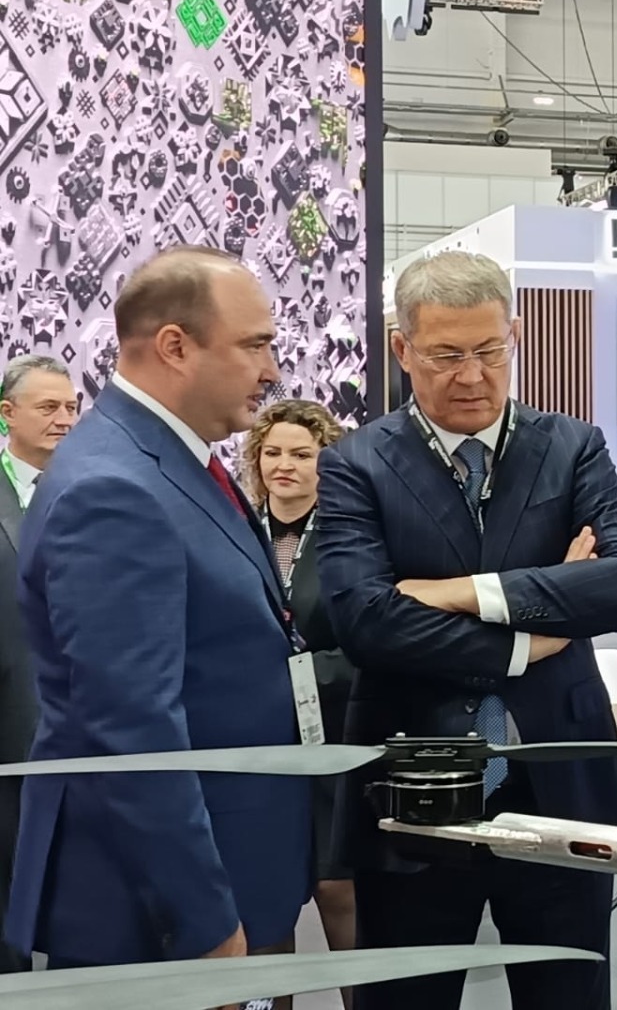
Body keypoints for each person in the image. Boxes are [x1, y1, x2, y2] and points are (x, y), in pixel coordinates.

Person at [315, 249, 617, 1010]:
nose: (471, 376)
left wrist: (462, 593)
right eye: (446, 355)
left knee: (568, 993)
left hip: (561, 786)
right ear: (402, 348)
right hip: (412, 792)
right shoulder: (356, 465)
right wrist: (532, 635)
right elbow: (366, 621)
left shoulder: (572, 446)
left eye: (490, 351)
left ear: (515, 336)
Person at [6, 248, 312, 975]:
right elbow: (132, 730)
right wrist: (204, 919)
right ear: (175, 346)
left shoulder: (170, 460)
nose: (271, 370)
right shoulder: (114, 487)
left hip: (225, 864)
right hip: (160, 911)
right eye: (254, 345)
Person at [242, 398, 356, 1010]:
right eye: (272, 452)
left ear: (325, 463)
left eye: (301, 454)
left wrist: (302, 675)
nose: (283, 465)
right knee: (265, 898)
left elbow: (375, 638)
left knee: (339, 889)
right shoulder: (234, 528)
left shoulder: (351, 536)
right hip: (254, 744)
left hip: (335, 737)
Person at [0, 354, 78, 974]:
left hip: (87, 729)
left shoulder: (91, 488)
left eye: (72, 407)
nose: (64, 419)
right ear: (8, 414)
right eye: (48, 407)